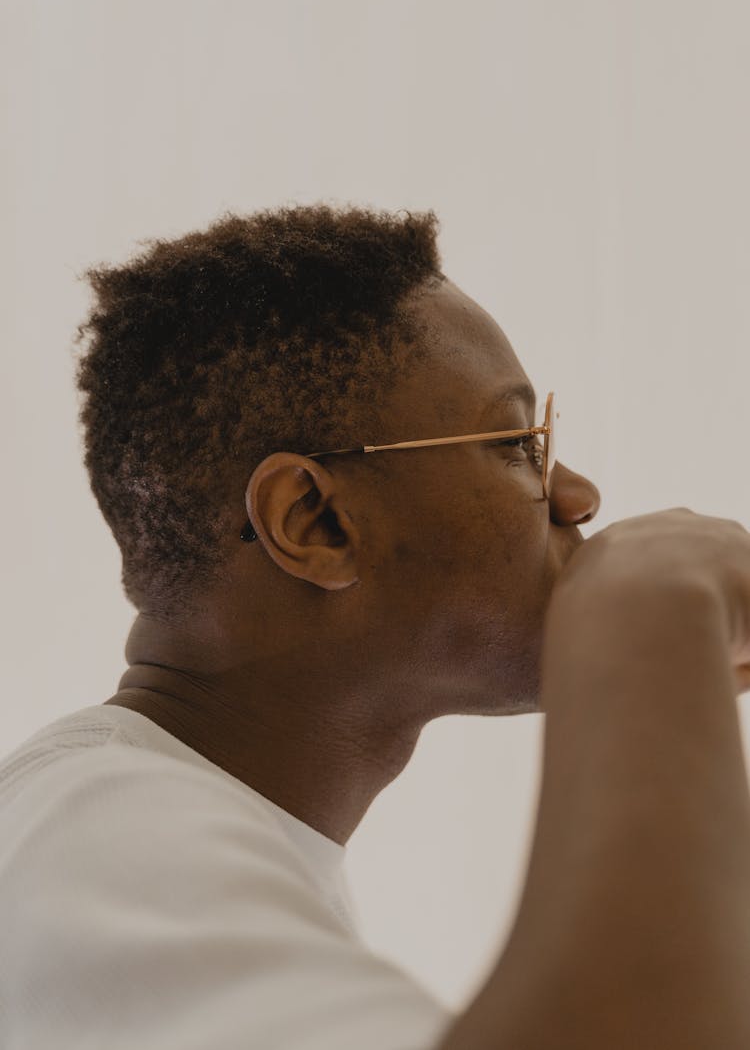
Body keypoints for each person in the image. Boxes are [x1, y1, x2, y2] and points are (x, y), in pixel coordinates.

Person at [1, 203, 749, 1049]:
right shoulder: (106, 835)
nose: (577, 497)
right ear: (314, 520)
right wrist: (651, 606)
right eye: (517, 442)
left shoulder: (138, 837)